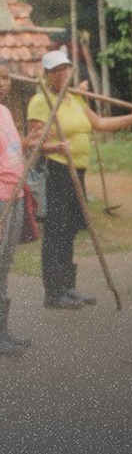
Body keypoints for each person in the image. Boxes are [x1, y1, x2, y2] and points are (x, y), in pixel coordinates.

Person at [27, 50, 132, 310]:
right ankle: (54, 292)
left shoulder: (75, 98)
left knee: (71, 228)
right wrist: (54, 148)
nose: (61, 73)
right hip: (57, 169)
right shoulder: (41, 100)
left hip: (78, 170)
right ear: (47, 74)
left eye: (65, 68)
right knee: (56, 230)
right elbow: (35, 142)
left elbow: (100, 123)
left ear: (71, 70)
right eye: (55, 70)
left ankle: (68, 287)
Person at [0, 68, 33, 355]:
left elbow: (11, 149)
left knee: (4, 264)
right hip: (0, 200)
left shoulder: (5, 112)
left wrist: (29, 142)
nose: (2, 84)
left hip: (16, 195)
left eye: (5, 77)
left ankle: (3, 331)